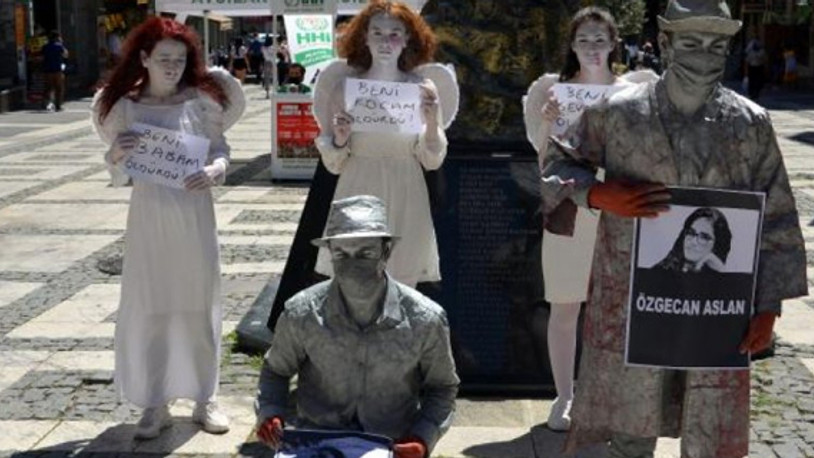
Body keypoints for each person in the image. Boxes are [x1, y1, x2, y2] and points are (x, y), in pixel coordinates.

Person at [540, 0, 807, 456]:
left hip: (717, 308)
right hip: (632, 301)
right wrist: (599, 194)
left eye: (716, 45)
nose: (704, 55)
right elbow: (556, 165)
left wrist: (768, 306)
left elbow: (777, 216)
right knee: (630, 427)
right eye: (691, 43)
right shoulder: (619, 112)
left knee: (710, 427)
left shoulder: (750, 124)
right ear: (664, 44)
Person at [91, 17, 246, 440]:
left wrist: (216, 169)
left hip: (194, 213)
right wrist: (116, 154)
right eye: (164, 59)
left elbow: (220, 150)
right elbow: (118, 170)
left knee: (199, 302)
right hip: (150, 216)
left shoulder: (201, 102)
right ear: (144, 58)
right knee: (153, 305)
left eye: (179, 59)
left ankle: (204, 396)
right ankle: (155, 401)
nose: (173, 67)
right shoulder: (125, 108)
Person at [524, 7, 655, 432]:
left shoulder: (635, 92)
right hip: (568, 209)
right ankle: (565, 395)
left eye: (600, 39)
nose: (592, 47)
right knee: (565, 305)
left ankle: (612, 396)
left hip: (621, 209)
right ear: (572, 45)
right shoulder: (554, 92)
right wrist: (547, 123)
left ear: (614, 43)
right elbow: (543, 160)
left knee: (618, 309)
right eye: (584, 39)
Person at [255, 195, 459, 458]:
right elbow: (275, 371)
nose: (352, 264)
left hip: (391, 445)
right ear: (330, 255)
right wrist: (270, 412)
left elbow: (442, 387)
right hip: (317, 444)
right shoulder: (301, 313)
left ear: (386, 251)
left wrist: (422, 437)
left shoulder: (425, 319)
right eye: (341, 254)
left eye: (365, 253)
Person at [311, 0, 459, 288]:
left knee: (403, 281)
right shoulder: (344, 89)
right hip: (359, 185)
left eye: (394, 33)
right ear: (364, 37)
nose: (385, 42)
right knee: (355, 281)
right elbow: (334, 163)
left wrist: (431, 121)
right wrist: (340, 138)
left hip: (407, 188)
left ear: (407, 39)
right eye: (377, 32)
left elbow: (431, 159)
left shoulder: (422, 89)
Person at [655, 207, 731, 273]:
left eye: (704, 237)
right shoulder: (661, 270)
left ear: (717, 245)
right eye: (691, 233)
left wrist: (721, 272)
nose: (693, 242)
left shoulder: (719, 275)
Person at [42, 31, 69, 111]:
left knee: (48, 87)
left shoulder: (45, 46)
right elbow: (66, 55)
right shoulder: (59, 46)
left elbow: (42, 56)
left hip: (47, 70)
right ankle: (58, 105)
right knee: (59, 88)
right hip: (57, 70)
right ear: (57, 38)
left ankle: (46, 103)